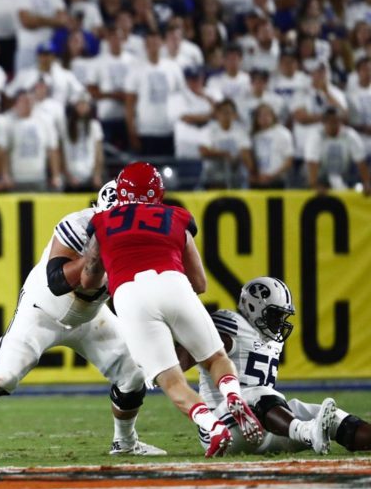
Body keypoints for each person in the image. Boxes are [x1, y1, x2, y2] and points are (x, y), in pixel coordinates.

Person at [0, 182, 164, 456]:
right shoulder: (78, 225)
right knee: (2, 378)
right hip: (44, 309)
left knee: (133, 374)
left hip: (92, 317)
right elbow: (56, 281)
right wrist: (101, 249)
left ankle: (125, 443)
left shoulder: (144, 237)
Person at [80, 162, 263, 457]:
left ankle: (213, 426)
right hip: (172, 282)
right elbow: (200, 283)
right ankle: (233, 396)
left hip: (129, 293)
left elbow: (88, 279)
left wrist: (113, 270)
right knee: (215, 357)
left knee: (171, 379)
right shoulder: (175, 216)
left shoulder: (103, 222)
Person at [181, 276, 371, 456]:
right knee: (258, 393)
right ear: (253, 306)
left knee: (325, 415)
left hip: (264, 428)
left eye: (283, 316)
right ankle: (307, 432)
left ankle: (315, 431)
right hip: (224, 426)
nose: (280, 322)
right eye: (275, 314)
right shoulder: (230, 326)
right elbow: (180, 362)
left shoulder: (273, 339)